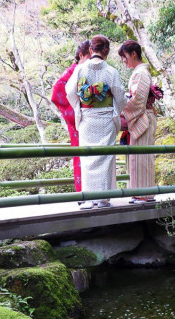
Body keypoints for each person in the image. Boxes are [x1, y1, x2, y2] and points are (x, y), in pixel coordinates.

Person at [65, 35, 126, 210]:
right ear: (106, 52)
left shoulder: (80, 70)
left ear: (91, 50)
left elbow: (70, 92)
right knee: (104, 157)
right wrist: (114, 110)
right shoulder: (111, 72)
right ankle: (103, 199)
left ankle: (88, 198)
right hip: (106, 118)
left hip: (87, 119)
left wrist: (80, 107)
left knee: (88, 157)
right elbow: (120, 97)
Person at [119, 40, 158, 204]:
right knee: (140, 157)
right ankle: (140, 192)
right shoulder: (141, 72)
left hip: (143, 116)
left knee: (142, 157)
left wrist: (122, 112)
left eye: (124, 56)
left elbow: (139, 100)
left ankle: (144, 193)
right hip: (144, 115)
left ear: (133, 54)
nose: (124, 60)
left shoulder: (140, 73)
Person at [51, 40, 91, 192]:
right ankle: (84, 193)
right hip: (79, 120)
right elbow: (56, 93)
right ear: (81, 55)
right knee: (82, 157)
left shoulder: (89, 69)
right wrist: (77, 112)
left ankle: (96, 194)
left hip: (92, 119)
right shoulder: (73, 71)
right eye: (90, 56)